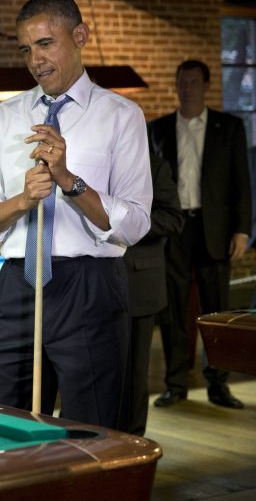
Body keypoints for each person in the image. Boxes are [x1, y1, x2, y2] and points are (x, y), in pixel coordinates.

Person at [0, 0, 152, 428]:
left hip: (88, 287)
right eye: (26, 49)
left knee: (92, 430)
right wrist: (22, 201)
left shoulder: (121, 116)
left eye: (46, 43)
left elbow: (135, 224)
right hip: (17, 284)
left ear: (80, 36)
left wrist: (68, 181)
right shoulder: (3, 117)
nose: (35, 60)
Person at [148, 60, 251, 409]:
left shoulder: (230, 127)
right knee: (173, 310)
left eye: (192, 82)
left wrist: (242, 230)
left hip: (216, 229)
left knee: (216, 308)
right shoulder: (158, 129)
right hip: (173, 229)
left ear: (206, 86)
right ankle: (175, 384)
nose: (186, 88)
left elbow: (243, 182)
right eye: (181, 82)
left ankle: (218, 384)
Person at [118, 152, 183, 436]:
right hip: (90, 283)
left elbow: (172, 219)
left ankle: (133, 446)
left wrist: (126, 223)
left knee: (133, 376)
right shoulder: (88, 161)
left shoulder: (155, 164)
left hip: (138, 283)